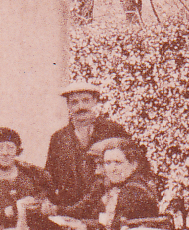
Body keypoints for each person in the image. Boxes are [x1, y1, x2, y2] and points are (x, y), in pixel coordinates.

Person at [42, 81, 130, 213]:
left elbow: (131, 168)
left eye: (85, 100)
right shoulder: (59, 138)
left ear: (95, 102)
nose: (80, 107)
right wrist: (47, 201)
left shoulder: (113, 130)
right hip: (68, 210)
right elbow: (49, 178)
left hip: (106, 208)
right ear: (68, 106)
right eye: (74, 102)